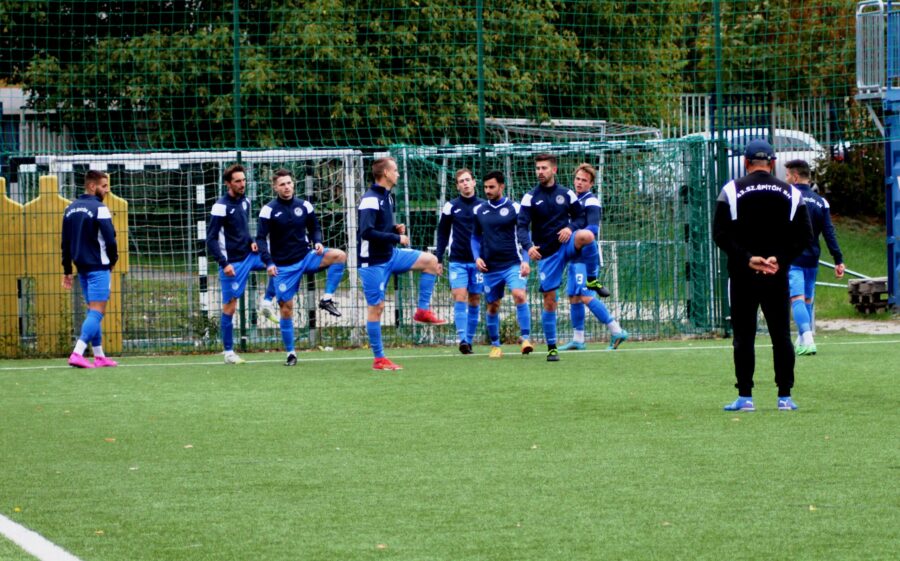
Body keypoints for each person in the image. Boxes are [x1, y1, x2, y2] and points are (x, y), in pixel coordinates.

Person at [713, 139, 813, 412]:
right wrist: (779, 259)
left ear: (746, 163)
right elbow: (805, 236)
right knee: (781, 336)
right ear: (773, 163)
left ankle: (745, 397)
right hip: (776, 275)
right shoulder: (791, 193)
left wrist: (748, 258)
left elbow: (719, 234)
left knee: (743, 337)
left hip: (743, 275)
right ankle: (785, 397)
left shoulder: (731, 190)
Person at [358, 157, 446, 371]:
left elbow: (379, 228)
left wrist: (393, 229)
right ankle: (379, 359)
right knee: (376, 308)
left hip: (391, 255)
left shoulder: (387, 197)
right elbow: (366, 232)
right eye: (395, 170)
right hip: (373, 263)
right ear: (386, 174)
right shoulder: (370, 199)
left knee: (431, 261)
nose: (398, 174)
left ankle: (422, 311)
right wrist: (396, 237)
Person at [257, 169, 347, 366]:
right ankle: (291, 353)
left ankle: (327, 298)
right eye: (282, 184)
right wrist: (269, 262)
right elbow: (260, 239)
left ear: (293, 184)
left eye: (289, 183)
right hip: (284, 266)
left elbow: (315, 228)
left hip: (306, 257)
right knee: (286, 309)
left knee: (339, 256)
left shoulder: (304, 205)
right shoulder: (268, 210)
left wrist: (318, 241)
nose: (287, 187)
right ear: (275, 187)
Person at [517, 154, 601, 362]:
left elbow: (581, 217)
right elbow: (521, 227)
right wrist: (528, 247)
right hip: (548, 254)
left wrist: (570, 228)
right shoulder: (529, 197)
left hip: (567, 244)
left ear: (553, 170)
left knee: (587, 236)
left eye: (544, 168)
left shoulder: (567, 194)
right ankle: (552, 347)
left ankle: (592, 279)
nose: (540, 172)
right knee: (549, 300)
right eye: (538, 168)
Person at [205, 164, 277, 365]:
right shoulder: (220, 206)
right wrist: (224, 263)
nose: (242, 184)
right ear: (228, 184)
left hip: (249, 255)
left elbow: (242, 230)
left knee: (278, 264)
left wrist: (252, 241)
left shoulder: (246, 201)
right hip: (232, 264)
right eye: (237, 181)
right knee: (230, 307)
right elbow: (211, 239)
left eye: (244, 180)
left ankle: (266, 302)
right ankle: (228, 352)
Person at [558, 163, 628, 351]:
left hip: (585, 258)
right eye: (577, 179)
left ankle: (616, 330)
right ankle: (578, 340)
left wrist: (573, 235)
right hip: (573, 258)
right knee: (574, 297)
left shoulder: (591, 201)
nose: (579, 183)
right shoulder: (573, 201)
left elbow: (593, 229)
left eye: (584, 180)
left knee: (585, 296)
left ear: (591, 184)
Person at [785, 159, 845, 356]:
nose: (786, 179)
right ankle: (802, 339)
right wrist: (838, 259)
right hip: (812, 258)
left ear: (795, 177)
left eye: (787, 175)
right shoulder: (821, 202)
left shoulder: (788, 197)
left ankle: (808, 339)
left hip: (794, 257)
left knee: (797, 298)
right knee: (807, 299)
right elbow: (829, 233)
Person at [471, 171, 533, 358]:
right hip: (490, 267)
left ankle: (526, 339)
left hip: (513, 263)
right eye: (485, 187)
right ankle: (495, 345)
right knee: (492, 306)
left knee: (519, 295)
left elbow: (525, 234)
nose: (487, 190)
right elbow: (475, 237)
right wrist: (476, 257)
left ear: (501, 186)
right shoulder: (479, 210)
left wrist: (526, 260)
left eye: (492, 187)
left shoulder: (515, 207)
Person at [61, 170, 119, 368]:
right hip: (98, 266)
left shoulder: (69, 209)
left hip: (82, 268)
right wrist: (113, 259)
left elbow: (65, 243)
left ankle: (99, 355)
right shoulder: (100, 208)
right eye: (104, 186)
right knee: (97, 311)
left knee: (92, 310)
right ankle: (77, 352)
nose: (107, 190)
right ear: (92, 186)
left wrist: (67, 270)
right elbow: (110, 239)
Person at [435, 168, 485, 354]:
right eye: (461, 181)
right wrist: (439, 258)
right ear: (457, 186)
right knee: (459, 296)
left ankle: (469, 340)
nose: (465, 183)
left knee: (475, 299)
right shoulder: (451, 206)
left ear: (474, 182)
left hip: (478, 261)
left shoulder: (483, 206)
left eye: (467, 180)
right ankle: (462, 339)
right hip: (457, 260)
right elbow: (442, 233)